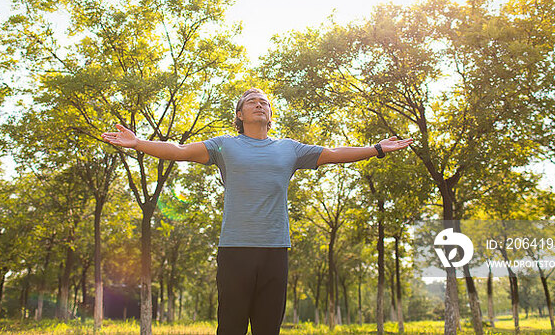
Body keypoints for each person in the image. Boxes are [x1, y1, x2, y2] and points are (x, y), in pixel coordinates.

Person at [102, 88, 413, 334]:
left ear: (270, 115)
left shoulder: (289, 149)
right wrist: (138, 142)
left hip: (275, 250)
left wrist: (377, 149)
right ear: (240, 114)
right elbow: (179, 151)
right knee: (231, 328)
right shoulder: (223, 145)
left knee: (268, 328)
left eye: (264, 102)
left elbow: (333, 153)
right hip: (234, 250)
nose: (259, 104)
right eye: (251, 101)